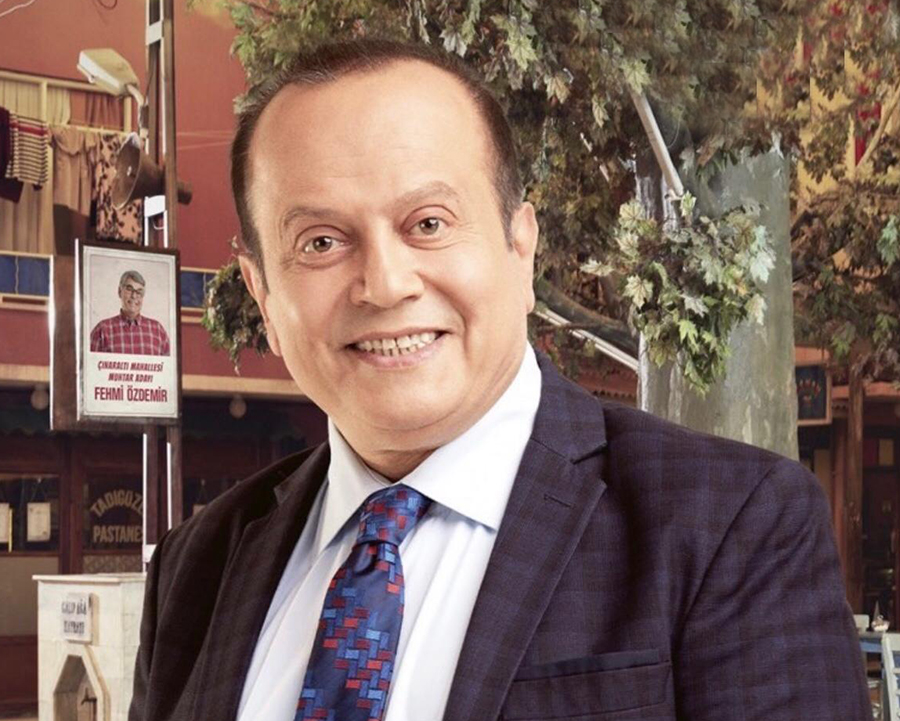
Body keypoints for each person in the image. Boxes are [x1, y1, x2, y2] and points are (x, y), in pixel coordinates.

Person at [129, 40, 870, 721]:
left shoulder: (732, 525)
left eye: (428, 223)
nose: (384, 284)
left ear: (521, 248)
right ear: (262, 293)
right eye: (321, 241)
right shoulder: (196, 568)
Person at [89, 269, 170, 356]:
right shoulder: (102, 330)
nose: (134, 296)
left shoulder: (158, 330)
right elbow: (90, 364)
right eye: (129, 289)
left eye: (139, 292)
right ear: (119, 292)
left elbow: (170, 364)